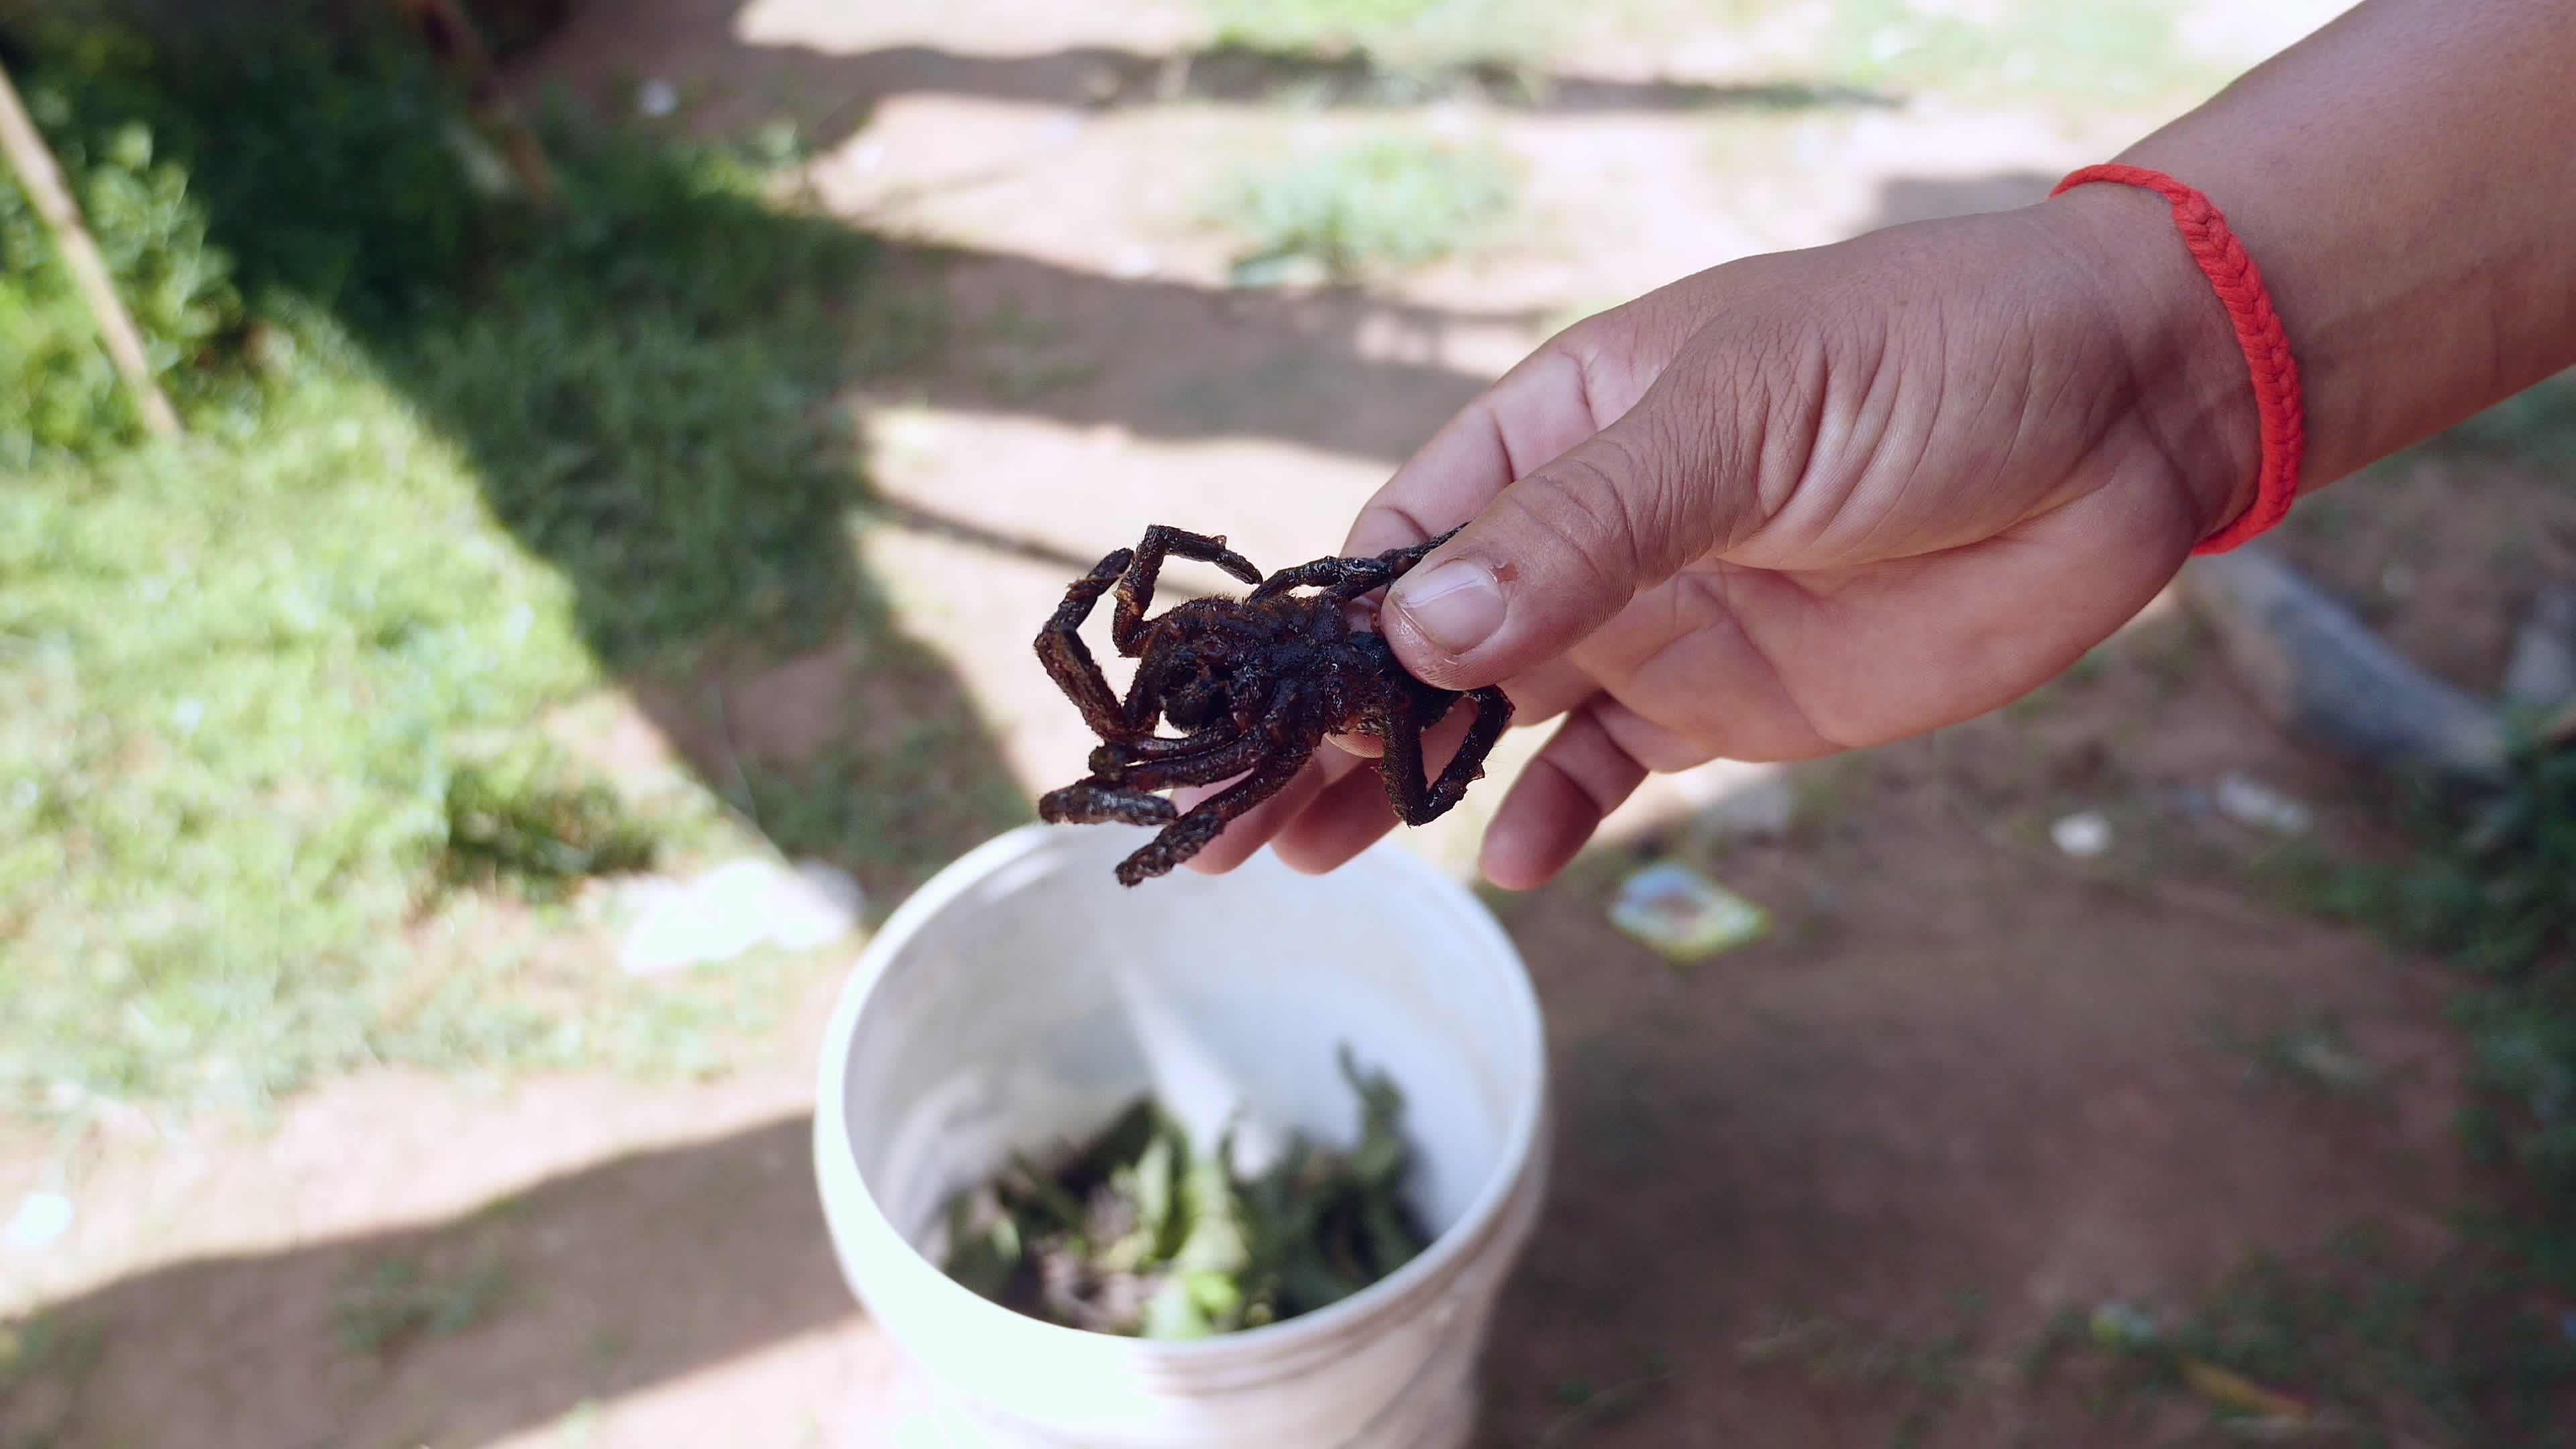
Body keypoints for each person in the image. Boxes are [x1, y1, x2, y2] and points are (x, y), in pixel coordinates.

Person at [1177, 0, 2576, 892]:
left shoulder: (1326, 614)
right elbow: (1319, 661)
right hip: (1383, 663)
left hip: (1384, 641)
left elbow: (1281, 586)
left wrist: (2156, 364)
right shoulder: (1305, 664)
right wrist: (2158, 370)